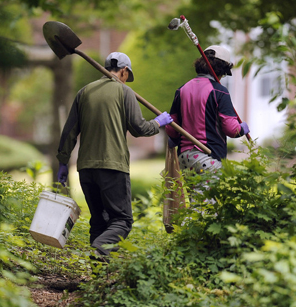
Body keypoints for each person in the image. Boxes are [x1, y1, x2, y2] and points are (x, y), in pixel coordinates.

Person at [56, 52, 172, 261]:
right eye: (127, 75)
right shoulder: (124, 92)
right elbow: (139, 128)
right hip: (113, 166)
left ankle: (98, 276)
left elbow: (69, 131)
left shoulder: (84, 92)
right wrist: (158, 123)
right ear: (124, 71)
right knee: (122, 220)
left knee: (99, 221)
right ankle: (101, 248)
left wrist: (63, 161)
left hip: (86, 169)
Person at [165, 45, 250, 175]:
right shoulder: (219, 91)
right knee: (210, 196)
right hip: (208, 157)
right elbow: (232, 130)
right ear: (221, 69)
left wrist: (175, 138)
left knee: (195, 196)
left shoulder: (182, 90)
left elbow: (171, 128)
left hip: (184, 158)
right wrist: (243, 128)